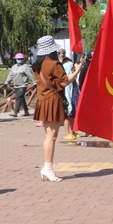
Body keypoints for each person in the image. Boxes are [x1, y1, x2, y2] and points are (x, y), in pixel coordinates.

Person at [33, 35, 81, 182]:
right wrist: (77, 70)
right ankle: (48, 169)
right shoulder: (54, 64)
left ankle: (46, 168)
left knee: (48, 136)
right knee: (51, 137)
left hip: (42, 100)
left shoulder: (37, 64)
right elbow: (66, 82)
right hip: (53, 101)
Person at [5, 53, 36, 117]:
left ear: (23, 59)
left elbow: (30, 75)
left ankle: (16, 112)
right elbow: (10, 75)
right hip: (16, 85)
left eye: (21, 59)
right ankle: (26, 111)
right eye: (18, 59)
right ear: (16, 59)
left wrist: (34, 82)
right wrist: (6, 82)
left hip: (23, 85)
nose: (19, 60)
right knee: (21, 99)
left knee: (18, 97)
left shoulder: (25, 66)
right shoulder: (14, 67)